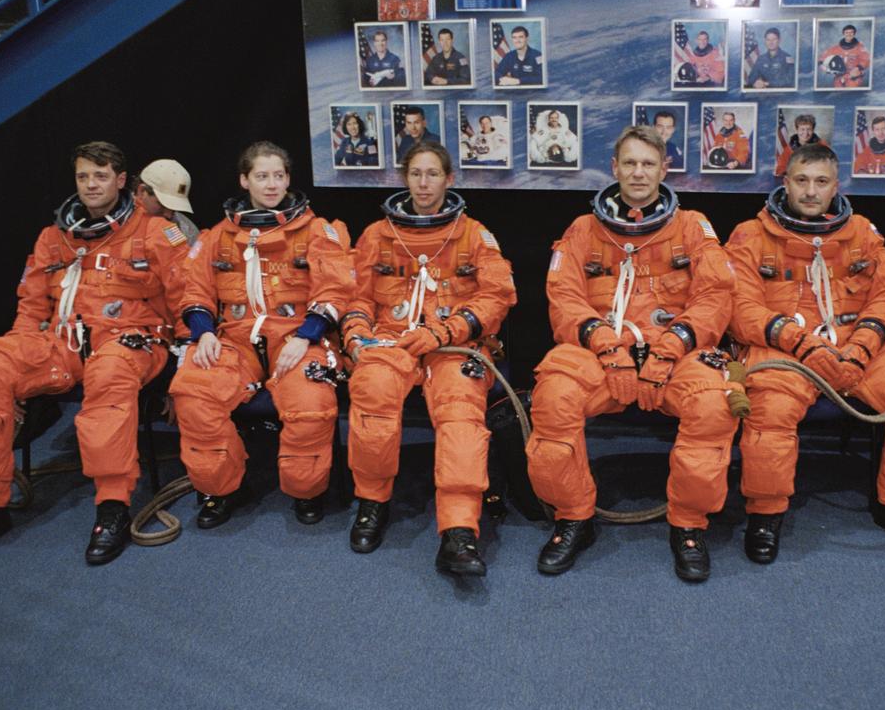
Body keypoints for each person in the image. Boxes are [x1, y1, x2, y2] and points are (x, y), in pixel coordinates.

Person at [0, 141, 188, 565]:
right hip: (63, 342)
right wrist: (20, 358)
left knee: (109, 376)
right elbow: (31, 307)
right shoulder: (54, 237)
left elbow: (185, 299)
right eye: (83, 176)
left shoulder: (155, 232)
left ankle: (112, 505)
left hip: (130, 340)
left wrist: (182, 366)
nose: (91, 184)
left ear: (120, 180)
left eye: (100, 176)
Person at [525, 126, 739, 582]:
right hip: (601, 352)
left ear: (664, 169)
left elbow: (715, 297)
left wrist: (672, 346)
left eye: (648, 164)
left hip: (675, 352)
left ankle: (689, 525)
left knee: (713, 405)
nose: (639, 172)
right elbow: (563, 298)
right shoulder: (583, 230)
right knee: (553, 399)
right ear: (615, 168)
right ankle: (573, 517)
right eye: (630, 163)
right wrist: (606, 345)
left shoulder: (692, 227)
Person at [726, 143, 885, 561]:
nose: (811, 191)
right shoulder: (751, 235)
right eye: (801, 180)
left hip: (856, 349)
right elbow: (741, 308)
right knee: (770, 414)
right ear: (786, 182)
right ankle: (765, 513)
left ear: (836, 186)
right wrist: (801, 343)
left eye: (821, 181)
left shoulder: (862, 234)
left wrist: (862, 347)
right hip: (785, 350)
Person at [342, 140, 516, 576]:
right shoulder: (377, 235)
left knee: (460, 410)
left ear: (449, 179)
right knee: (373, 391)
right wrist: (356, 334)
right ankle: (372, 502)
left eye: (433, 174)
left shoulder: (474, 234)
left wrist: (447, 330)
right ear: (405, 178)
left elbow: (497, 296)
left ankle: (459, 530)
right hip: (391, 339)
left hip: (451, 341)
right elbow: (356, 296)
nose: (424, 183)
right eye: (416, 174)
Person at [169, 142, 352, 529]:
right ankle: (222, 489)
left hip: (297, 338)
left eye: (278, 176)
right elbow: (194, 291)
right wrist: (203, 333)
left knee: (310, 402)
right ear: (244, 180)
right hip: (234, 340)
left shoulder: (317, 231)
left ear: (288, 179)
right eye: (262, 176)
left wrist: (306, 336)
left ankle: (307, 491)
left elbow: (335, 290)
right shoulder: (217, 237)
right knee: (193, 394)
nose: (271, 185)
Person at [134, 158, 199, 245]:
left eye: (174, 207)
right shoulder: (117, 219)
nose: (169, 215)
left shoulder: (186, 231)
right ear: (142, 191)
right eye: (162, 205)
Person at [818, 24, 870, 88]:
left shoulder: (860, 48)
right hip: (839, 78)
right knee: (838, 93)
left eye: (851, 32)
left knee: (851, 92)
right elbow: (822, 58)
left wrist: (858, 68)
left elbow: (866, 59)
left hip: (854, 78)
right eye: (847, 32)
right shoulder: (836, 48)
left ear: (854, 34)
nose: (849, 34)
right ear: (843, 34)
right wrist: (824, 67)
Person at [773, 113, 826, 177]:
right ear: (797, 130)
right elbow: (780, 170)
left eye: (809, 129)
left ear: (813, 130)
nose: (805, 133)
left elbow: (828, 167)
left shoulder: (822, 146)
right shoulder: (789, 149)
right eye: (802, 129)